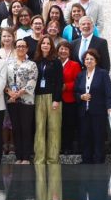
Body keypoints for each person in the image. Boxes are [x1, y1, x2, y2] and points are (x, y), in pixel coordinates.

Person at [75, 50, 111, 164]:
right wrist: (81, 96)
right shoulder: (80, 75)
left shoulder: (103, 73)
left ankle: (98, 161)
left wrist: (110, 107)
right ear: (84, 61)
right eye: (87, 59)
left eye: (91, 59)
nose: (89, 61)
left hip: (98, 111)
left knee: (98, 137)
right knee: (85, 137)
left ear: (96, 61)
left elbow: (109, 92)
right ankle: (86, 160)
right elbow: (75, 92)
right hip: (84, 112)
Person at [5, 38, 38, 164]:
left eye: (23, 46)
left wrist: (19, 93)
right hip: (12, 100)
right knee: (16, 128)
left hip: (26, 101)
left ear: (27, 49)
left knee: (26, 128)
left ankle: (26, 157)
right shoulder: (8, 64)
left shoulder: (32, 64)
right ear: (15, 48)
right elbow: (4, 81)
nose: (21, 48)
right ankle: (18, 157)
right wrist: (9, 92)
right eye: (18, 46)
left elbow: (32, 81)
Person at [33, 35, 63, 165]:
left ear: (51, 46)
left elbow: (59, 81)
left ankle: (52, 159)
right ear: (40, 45)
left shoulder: (56, 61)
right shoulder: (35, 61)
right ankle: (39, 159)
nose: (45, 45)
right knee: (39, 128)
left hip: (53, 98)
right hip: (39, 97)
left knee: (54, 128)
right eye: (43, 43)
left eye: (48, 43)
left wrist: (56, 99)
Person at [59, 42, 81, 155]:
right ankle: (58, 146)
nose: (63, 51)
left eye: (66, 49)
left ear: (69, 52)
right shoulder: (55, 63)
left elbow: (78, 82)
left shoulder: (74, 65)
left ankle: (67, 147)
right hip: (56, 99)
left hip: (69, 98)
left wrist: (65, 86)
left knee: (68, 124)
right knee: (57, 124)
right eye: (61, 49)